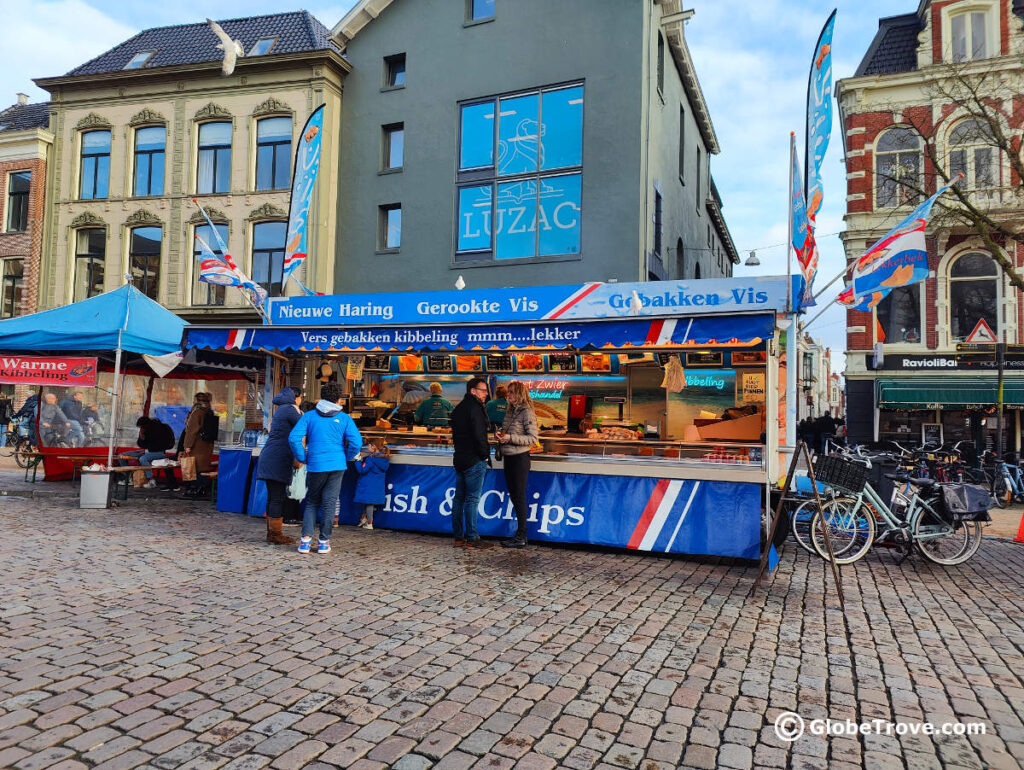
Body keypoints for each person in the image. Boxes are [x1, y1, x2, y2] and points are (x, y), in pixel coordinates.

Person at [288, 382, 363, 555]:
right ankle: (323, 542)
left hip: (315, 464)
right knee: (329, 503)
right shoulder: (345, 418)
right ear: (338, 398)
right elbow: (357, 443)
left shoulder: (309, 416)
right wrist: (346, 456)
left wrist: (302, 457)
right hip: (337, 465)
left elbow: (293, 438)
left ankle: (305, 542)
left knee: (312, 502)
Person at [449, 377, 494, 549]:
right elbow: (479, 435)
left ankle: (458, 537)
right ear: (473, 391)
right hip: (474, 459)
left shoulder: (459, 408)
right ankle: (472, 538)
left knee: (459, 499)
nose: (486, 394)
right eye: (483, 390)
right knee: (472, 499)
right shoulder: (475, 409)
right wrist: (484, 455)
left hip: (459, 458)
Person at [256, 387, 303, 545]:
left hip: (271, 457)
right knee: (277, 498)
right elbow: (304, 425)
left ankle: (271, 532)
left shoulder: (281, 410)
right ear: (296, 398)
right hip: (277, 459)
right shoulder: (290, 410)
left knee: (273, 497)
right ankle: (276, 534)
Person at [496, 381, 539, 549]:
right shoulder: (511, 410)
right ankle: (520, 535)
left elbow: (533, 439)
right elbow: (510, 431)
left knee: (519, 497)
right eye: (508, 392)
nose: (509, 395)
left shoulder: (526, 412)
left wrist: (510, 438)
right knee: (514, 496)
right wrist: (501, 434)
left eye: (512, 392)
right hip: (509, 457)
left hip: (520, 458)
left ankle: (521, 535)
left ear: (520, 393)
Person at [122, 416, 176, 489]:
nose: (140, 429)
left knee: (143, 459)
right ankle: (128, 478)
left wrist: (144, 439)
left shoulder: (159, 429)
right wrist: (142, 437)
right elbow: (142, 445)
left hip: (159, 452)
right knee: (122, 456)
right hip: (147, 451)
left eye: (141, 427)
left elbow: (148, 445)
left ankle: (151, 480)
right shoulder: (147, 430)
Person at [181, 392, 216, 497]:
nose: (193, 401)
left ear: (197, 401)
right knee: (203, 467)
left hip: (197, 445)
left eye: (194, 400)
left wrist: (187, 445)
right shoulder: (209, 412)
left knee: (194, 467)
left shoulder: (197, 413)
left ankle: (194, 489)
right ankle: (203, 489)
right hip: (207, 445)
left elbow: (192, 431)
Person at [355, 437, 391, 530]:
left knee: (369, 503)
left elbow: (362, 470)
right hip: (377, 485)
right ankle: (363, 518)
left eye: (369, 445)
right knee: (368, 502)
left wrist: (358, 460)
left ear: (374, 446)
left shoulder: (371, 459)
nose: (367, 447)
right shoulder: (384, 458)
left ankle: (369, 523)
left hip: (368, 484)